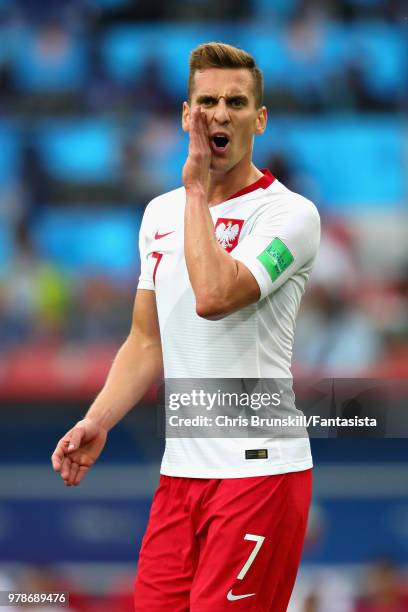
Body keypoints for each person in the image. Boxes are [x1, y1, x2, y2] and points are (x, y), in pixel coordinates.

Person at [51, 42, 320, 611]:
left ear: (259, 118)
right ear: (185, 114)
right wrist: (97, 419)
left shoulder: (289, 216)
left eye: (236, 102)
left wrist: (197, 191)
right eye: (207, 101)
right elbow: (146, 339)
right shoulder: (159, 214)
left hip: (259, 475)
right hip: (181, 477)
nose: (220, 114)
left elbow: (216, 296)